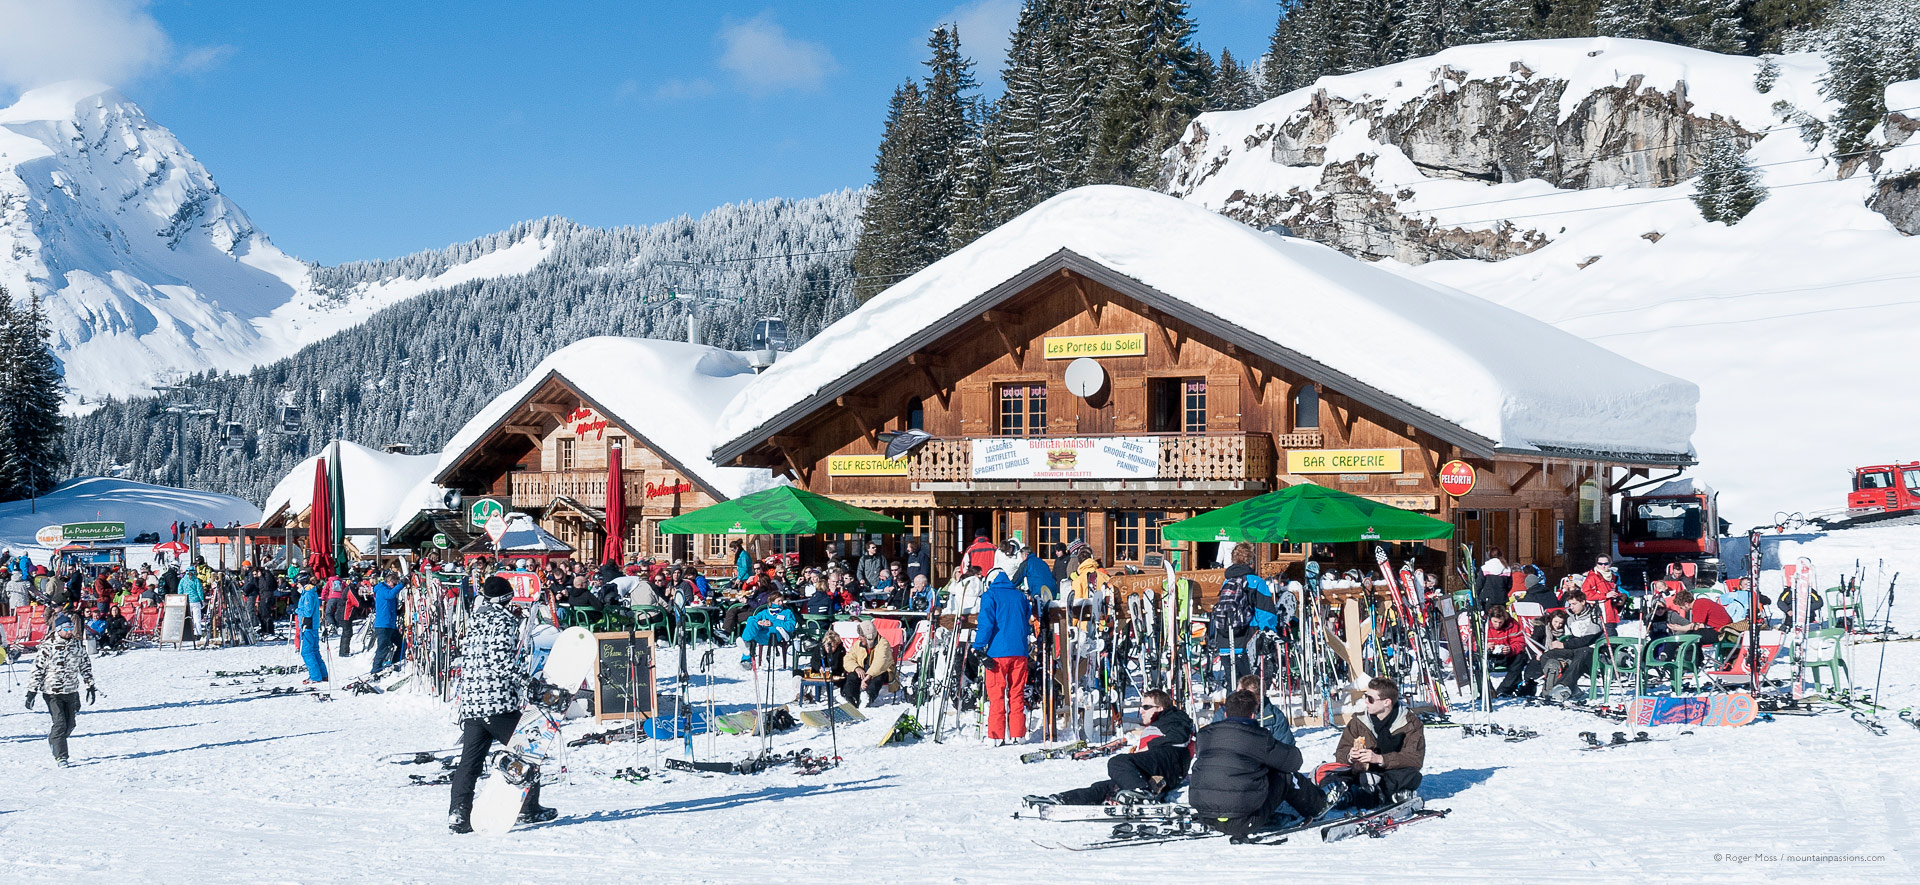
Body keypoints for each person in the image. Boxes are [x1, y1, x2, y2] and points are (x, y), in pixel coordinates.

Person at [448, 575, 554, 834]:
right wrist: (528, 682)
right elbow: (500, 662)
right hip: (498, 702)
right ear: (508, 598)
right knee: (529, 751)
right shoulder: (504, 621)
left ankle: (458, 814)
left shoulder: (475, 619)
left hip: (473, 702)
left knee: (469, 763)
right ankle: (528, 808)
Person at [1187, 689, 1324, 837]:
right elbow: (1293, 762)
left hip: (1207, 815)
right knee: (1285, 775)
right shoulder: (1257, 737)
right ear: (1253, 715)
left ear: (1226, 714)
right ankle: (1319, 806)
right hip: (1243, 819)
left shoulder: (1205, 735)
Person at [1034, 690, 1197, 807]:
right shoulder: (1161, 724)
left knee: (1118, 762)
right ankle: (1060, 800)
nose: (1141, 711)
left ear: (1160, 708)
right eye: (1141, 707)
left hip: (1169, 762)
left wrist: (1148, 748)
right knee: (1104, 786)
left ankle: (1140, 793)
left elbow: (1180, 739)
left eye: (1146, 707)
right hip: (1157, 769)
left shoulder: (1175, 718)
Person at [1323, 677, 1426, 810]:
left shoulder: (1410, 724)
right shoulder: (1359, 721)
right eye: (1365, 696)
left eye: (1370, 699)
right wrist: (1350, 756)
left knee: (1412, 775)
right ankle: (1376, 792)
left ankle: (1360, 794)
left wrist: (1380, 759)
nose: (1366, 701)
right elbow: (1341, 752)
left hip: (1392, 773)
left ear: (1386, 702)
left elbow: (1415, 758)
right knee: (1331, 774)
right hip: (1363, 772)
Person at [25, 616, 98, 766]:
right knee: (60, 723)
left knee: (70, 724)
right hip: (52, 692)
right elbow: (37, 670)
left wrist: (90, 686)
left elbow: (85, 666)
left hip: (71, 690)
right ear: (58, 630)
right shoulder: (48, 646)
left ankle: (55, 739)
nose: (69, 631)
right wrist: (31, 692)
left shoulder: (77, 645)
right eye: (66, 629)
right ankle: (61, 756)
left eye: (71, 628)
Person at [972, 563, 1031, 744]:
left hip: (997, 653)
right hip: (1019, 651)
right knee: (1017, 693)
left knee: (997, 694)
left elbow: (986, 624)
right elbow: (1026, 620)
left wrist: (978, 646)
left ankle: (997, 736)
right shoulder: (1020, 596)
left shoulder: (990, 596)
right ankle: (1018, 733)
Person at [1529, 593, 1605, 700]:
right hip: (1574, 649)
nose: (1571, 607)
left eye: (1574, 604)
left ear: (1583, 602)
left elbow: (1587, 639)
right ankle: (1553, 686)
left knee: (1581, 653)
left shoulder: (1594, 616)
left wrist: (1564, 644)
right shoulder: (1570, 617)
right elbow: (1567, 633)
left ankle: (1563, 686)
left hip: (1592, 650)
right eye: (1570, 604)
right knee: (1547, 655)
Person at [1214, 674, 1294, 746]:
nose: (1239, 699)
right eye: (1237, 694)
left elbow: (1286, 748)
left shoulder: (1274, 717)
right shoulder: (1223, 713)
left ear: (1258, 699)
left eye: (1245, 697)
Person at [840, 620, 899, 707]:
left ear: (869, 637)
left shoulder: (883, 643)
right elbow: (848, 659)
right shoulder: (858, 644)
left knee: (879, 675)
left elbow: (880, 662)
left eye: (861, 636)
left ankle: (868, 697)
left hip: (882, 673)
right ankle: (851, 699)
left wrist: (869, 675)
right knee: (852, 675)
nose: (859, 638)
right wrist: (856, 668)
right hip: (864, 672)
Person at [738, 592, 798, 667]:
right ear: (772, 602)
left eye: (782, 600)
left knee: (752, 635)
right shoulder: (765, 612)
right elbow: (752, 620)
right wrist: (759, 622)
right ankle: (746, 652)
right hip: (761, 635)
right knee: (752, 620)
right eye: (778, 601)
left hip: (775, 636)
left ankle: (746, 646)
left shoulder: (786, 612)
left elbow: (791, 626)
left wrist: (773, 624)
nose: (781, 603)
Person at [1486, 604, 1532, 697]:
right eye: (1495, 621)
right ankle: (1488, 689)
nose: (1497, 625)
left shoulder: (1512, 624)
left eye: (1500, 622)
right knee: (1476, 661)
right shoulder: (1484, 625)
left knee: (1521, 657)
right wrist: (1485, 646)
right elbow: (1473, 644)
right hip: (1489, 656)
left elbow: (1520, 643)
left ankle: (1503, 689)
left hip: (1507, 655)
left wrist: (1510, 649)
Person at [294, 575, 328, 684]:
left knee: (306, 652)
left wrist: (297, 610)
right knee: (314, 650)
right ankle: (323, 674)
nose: (297, 585)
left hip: (308, 625)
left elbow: (307, 612)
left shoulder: (308, 594)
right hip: (312, 625)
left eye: (298, 583)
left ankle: (315, 676)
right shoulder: (309, 592)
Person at [370, 571, 405, 674]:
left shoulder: (387, 590)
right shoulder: (381, 589)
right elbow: (390, 595)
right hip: (383, 625)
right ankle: (375, 670)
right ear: (388, 581)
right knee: (383, 648)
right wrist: (401, 585)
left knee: (402, 644)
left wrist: (398, 611)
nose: (394, 587)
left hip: (390, 625)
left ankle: (396, 663)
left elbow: (389, 606)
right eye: (394, 584)